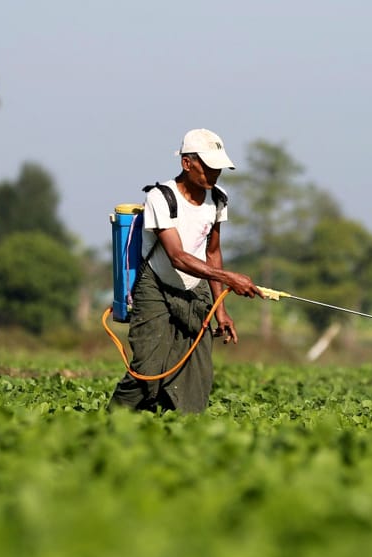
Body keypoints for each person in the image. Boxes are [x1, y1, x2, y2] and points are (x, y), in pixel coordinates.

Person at [108, 128, 263, 413]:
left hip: (197, 288)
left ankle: (177, 435)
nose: (214, 174)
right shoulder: (161, 197)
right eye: (208, 167)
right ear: (187, 163)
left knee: (195, 380)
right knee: (148, 373)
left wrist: (221, 310)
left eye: (219, 168)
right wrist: (230, 278)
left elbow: (213, 252)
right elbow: (177, 257)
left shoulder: (217, 199)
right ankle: (109, 423)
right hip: (156, 285)